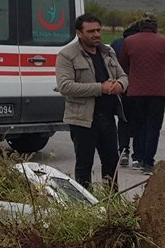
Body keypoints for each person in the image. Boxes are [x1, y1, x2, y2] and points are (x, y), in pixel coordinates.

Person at [55, 13, 128, 189]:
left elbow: (123, 76)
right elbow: (65, 86)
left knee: (111, 163)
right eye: (91, 31)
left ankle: (111, 200)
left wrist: (119, 85)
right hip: (83, 119)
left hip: (107, 118)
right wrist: (100, 88)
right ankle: (84, 201)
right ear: (79, 33)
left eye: (98, 30)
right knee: (84, 165)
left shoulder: (108, 52)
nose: (96, 34)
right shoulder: (67, 55)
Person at [118, 13, 165, 173]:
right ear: (155, 27)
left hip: (137, 90)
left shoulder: (129, 41)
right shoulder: (164, 41)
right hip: (158, 90)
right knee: (154, 125)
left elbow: (123, 62)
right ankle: (148, 161)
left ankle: (138, 157)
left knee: (139, 124)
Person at [110, 22, 139, 167]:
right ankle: (138, 156)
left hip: (122, 87)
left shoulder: (117, 43)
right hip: (140, 88)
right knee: (140, 121)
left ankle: (123, 150)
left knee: (123, 119)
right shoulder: (139, 43)